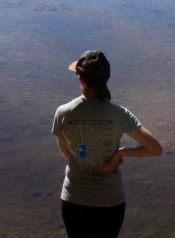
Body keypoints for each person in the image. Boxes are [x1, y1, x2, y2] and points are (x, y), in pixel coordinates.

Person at [52, 50, 163, 238]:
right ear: (106, 79)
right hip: (110, 202)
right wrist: (121, 153)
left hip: (74, 199)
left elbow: (67, 152)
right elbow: (155, 149)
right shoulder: (120, 115)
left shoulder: (63, 113)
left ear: (80, 79)